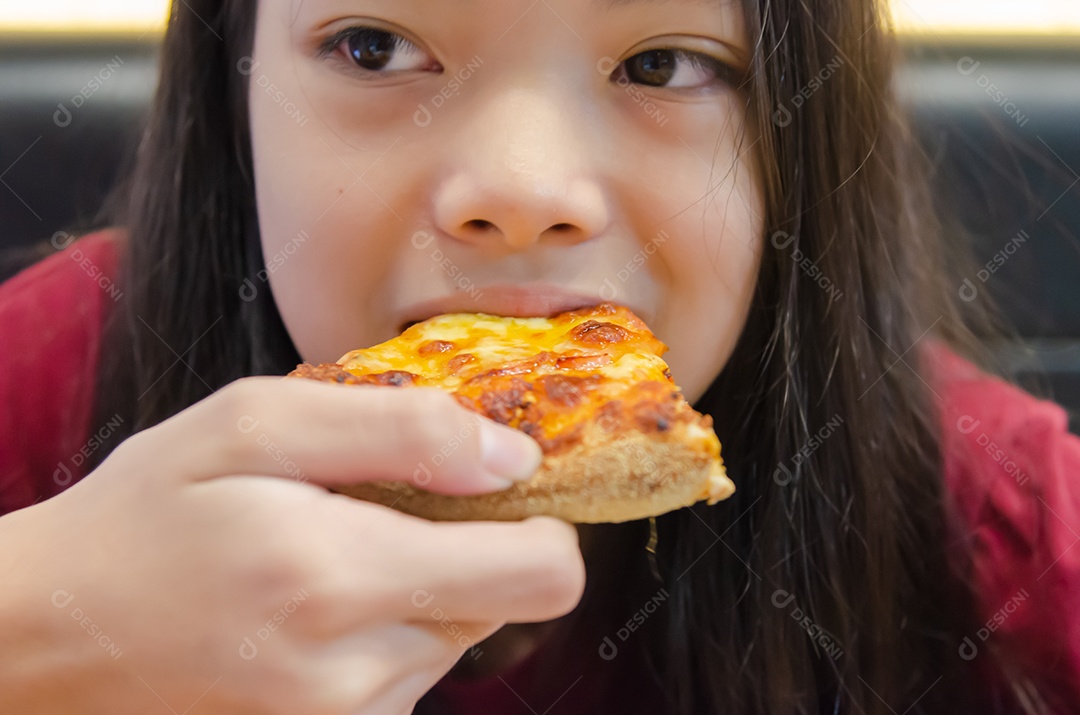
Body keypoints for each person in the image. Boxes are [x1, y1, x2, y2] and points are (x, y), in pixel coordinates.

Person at [1, 0, 1077, 713]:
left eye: (663, 64)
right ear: (230, 94)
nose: (520, 188)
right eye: (373, 46)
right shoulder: (53, 370)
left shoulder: (987, 509)